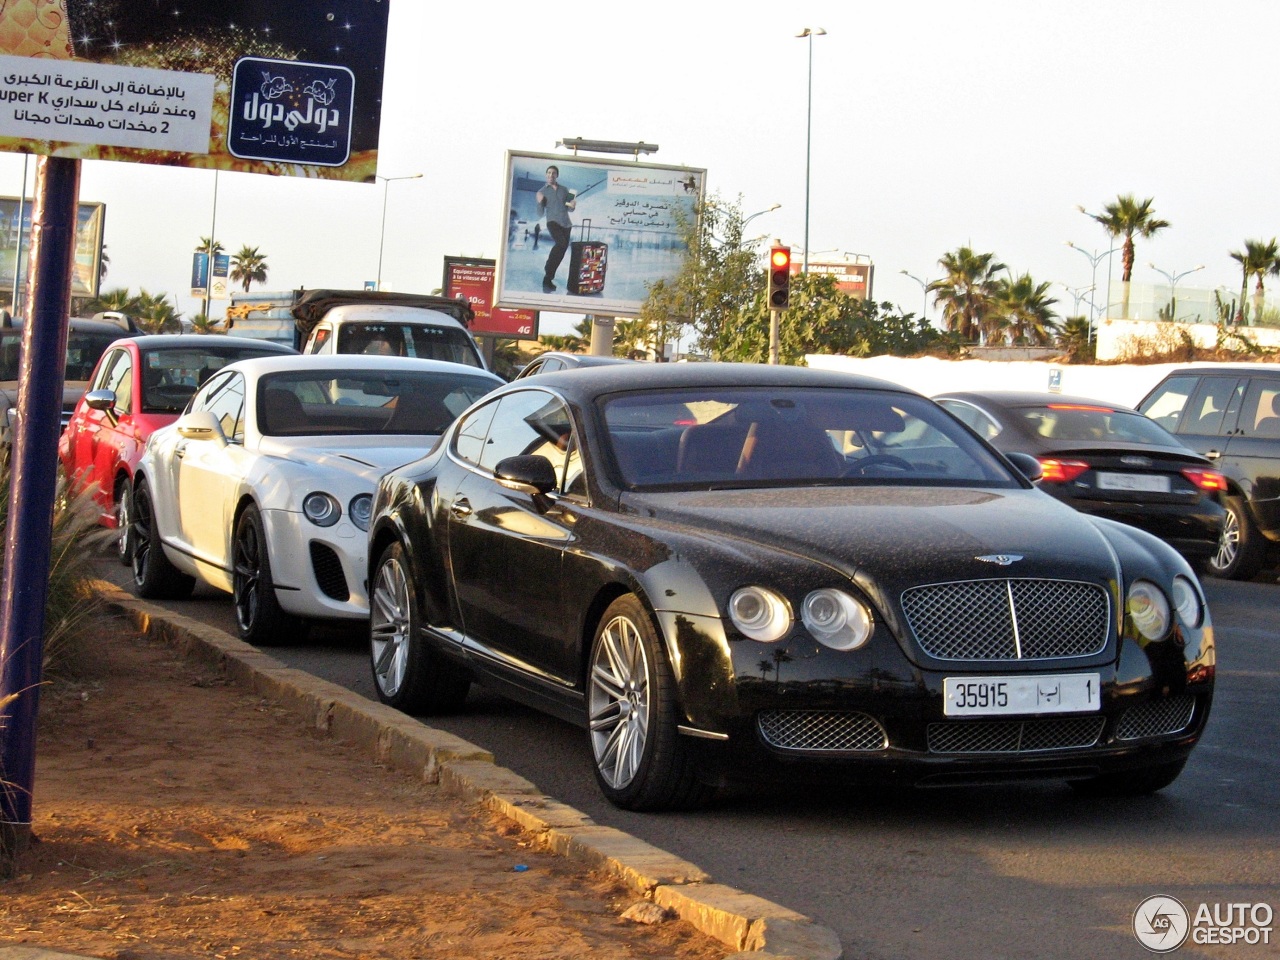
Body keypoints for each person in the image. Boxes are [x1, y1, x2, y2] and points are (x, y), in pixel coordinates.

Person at [536, 165, 575, 293]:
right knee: (561, 243)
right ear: (546, 175)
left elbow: (570, 208)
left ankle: (548, 279)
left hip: (566, 224)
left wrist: (573, 205)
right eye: (548, 173)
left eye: (553, 173)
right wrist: (539, 202)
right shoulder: (541, 192)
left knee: (561, 252)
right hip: (552, 222)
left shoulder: (565, 190)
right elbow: (540, 213)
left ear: (557, 175)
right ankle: (548, 268)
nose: (551, 175)